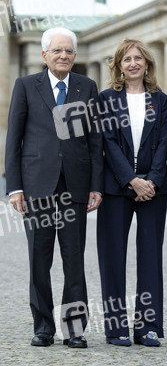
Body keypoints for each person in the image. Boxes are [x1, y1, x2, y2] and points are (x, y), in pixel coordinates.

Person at [5, 27, 104, 348]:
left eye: (69, 51)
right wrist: (14, 187)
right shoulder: (25, 86)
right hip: (37, 188)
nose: (63, 56)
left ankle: (74, 329)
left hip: (75, 188)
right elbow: (13, 140)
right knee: (39, 260)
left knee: (74, 261)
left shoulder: (87, 87)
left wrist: (95, 186)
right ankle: (43, 327)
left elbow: (95, 140)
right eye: (57, 51)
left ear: (75, 56)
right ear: (45, 55)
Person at [96, 38, 167, 347]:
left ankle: (148, 327)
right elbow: (108, 144)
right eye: (126, 59)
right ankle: (116, 328)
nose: (133, 63)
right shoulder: (106, 99)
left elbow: (165, 139)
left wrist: (150, 181)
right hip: (116, 187)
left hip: (154, 188)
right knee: (112, 258)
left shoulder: (161, 99)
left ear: (147, 64)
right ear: (119, 65)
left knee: (150, 258)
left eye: (138, 58)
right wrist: (131, 180)